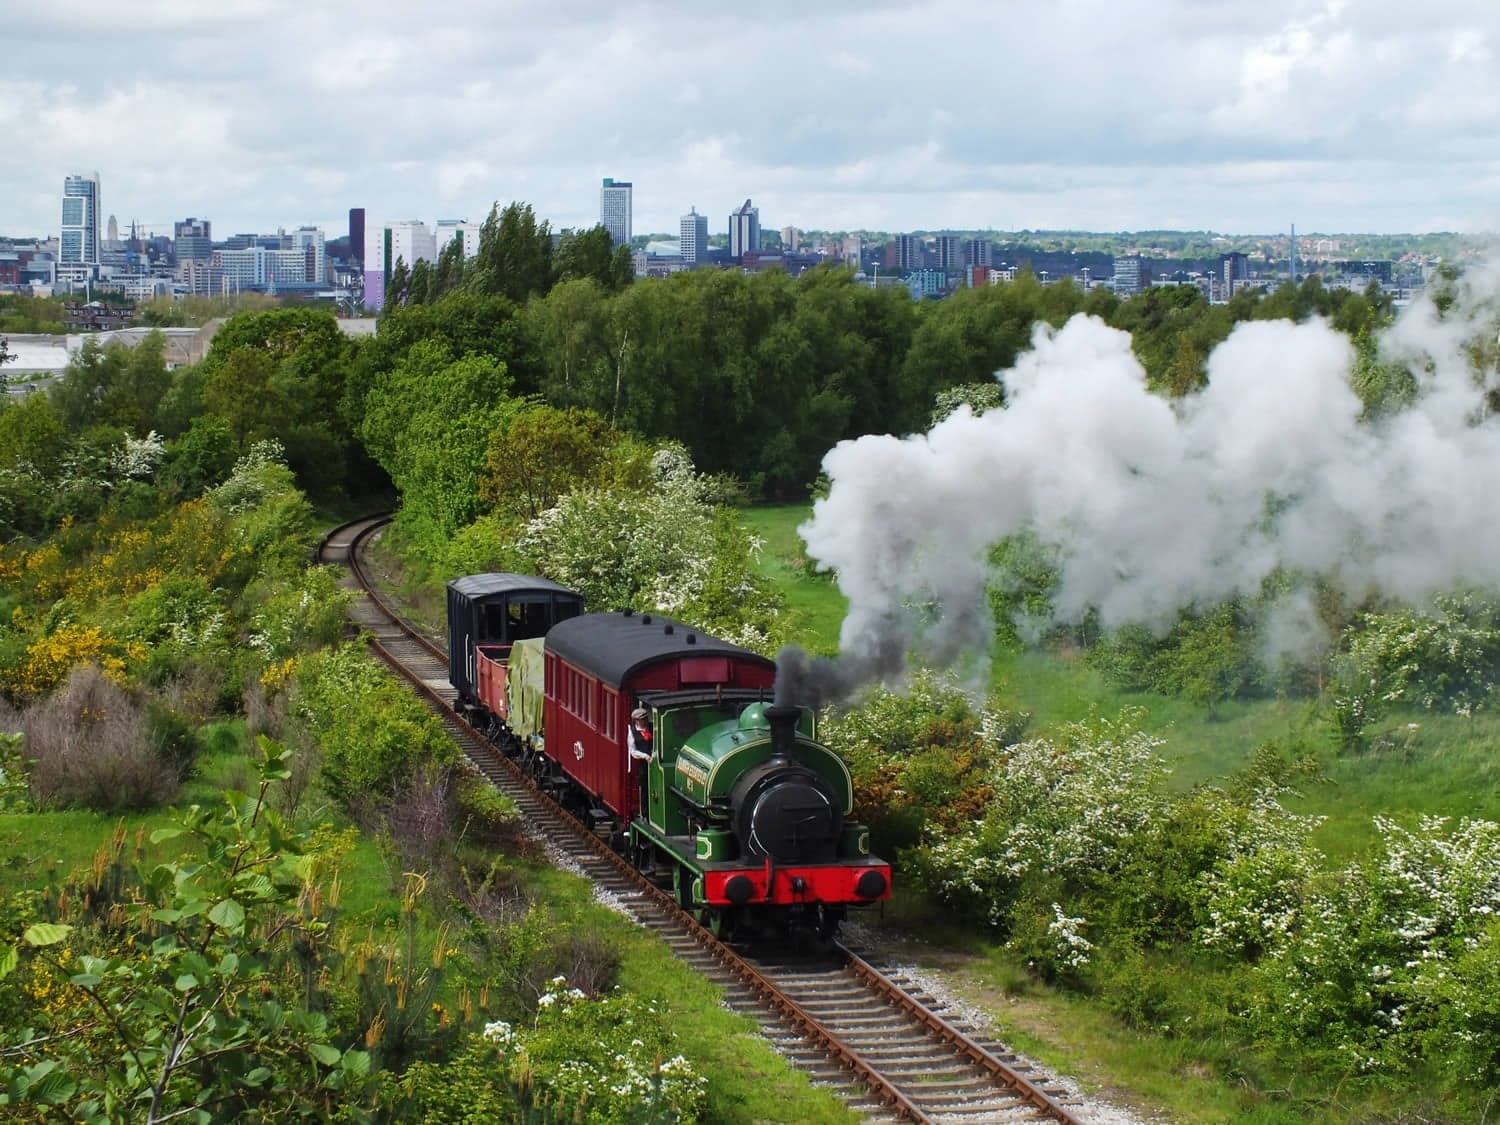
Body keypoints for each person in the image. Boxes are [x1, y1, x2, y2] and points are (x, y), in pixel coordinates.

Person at [628, 706, 652, 815]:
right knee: (644, 789)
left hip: (654, 761)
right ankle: (645, 814)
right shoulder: (632, 733)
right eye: (643, 719)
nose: (645, 721)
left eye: (646, 719)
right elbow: (633, 751)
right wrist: (645, 756)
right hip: (644, 764)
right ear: (637, 721)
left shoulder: (651, 728)